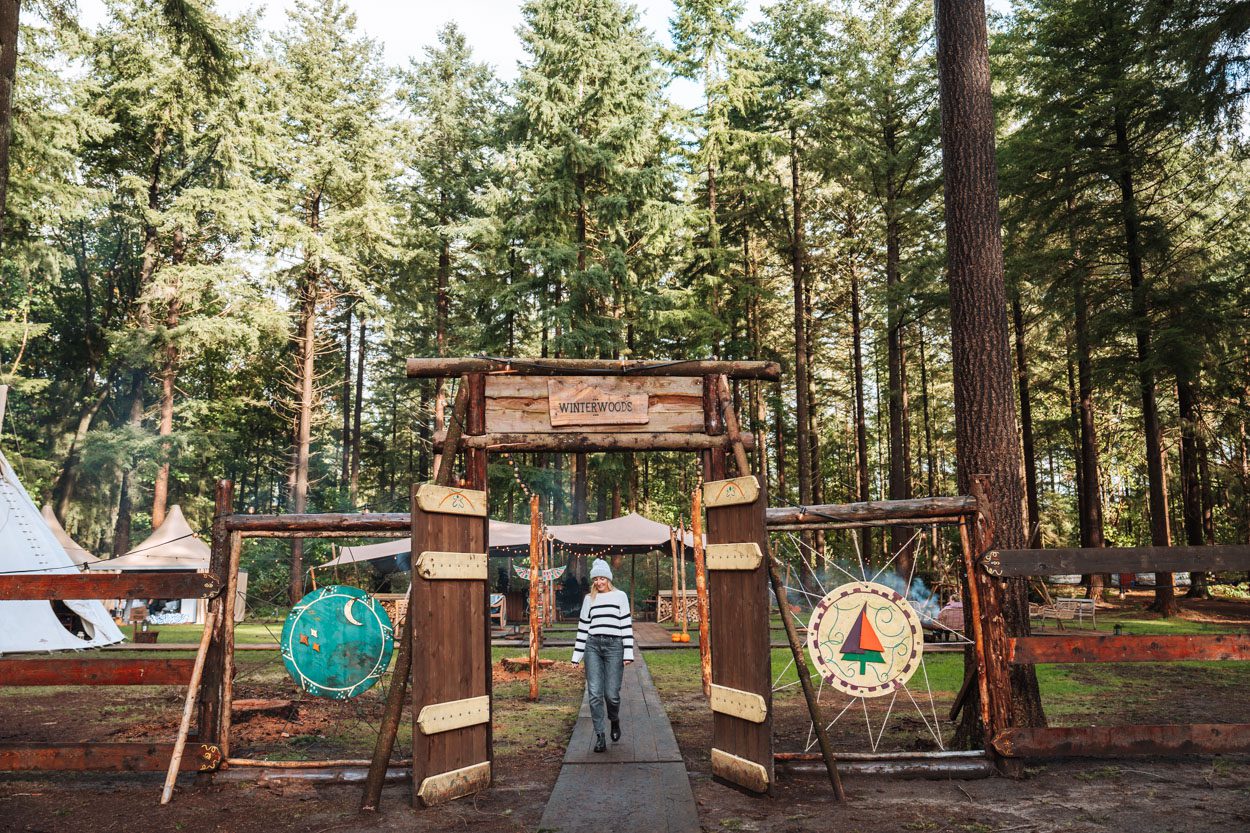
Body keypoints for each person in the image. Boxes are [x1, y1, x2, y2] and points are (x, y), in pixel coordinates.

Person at [570, 558, 634, 753]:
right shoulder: (589, 599)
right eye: (596, 579)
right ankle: (600, 736)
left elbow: (625, 625)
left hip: (615, 647)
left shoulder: (620, 596)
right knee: (595, 694)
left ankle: (614, 719)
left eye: (602, 578)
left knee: (611, 695)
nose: (599, 582)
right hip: (593, 647)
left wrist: (628, 652)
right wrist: (577, 655)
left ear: (608, 579)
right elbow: (583, 627)